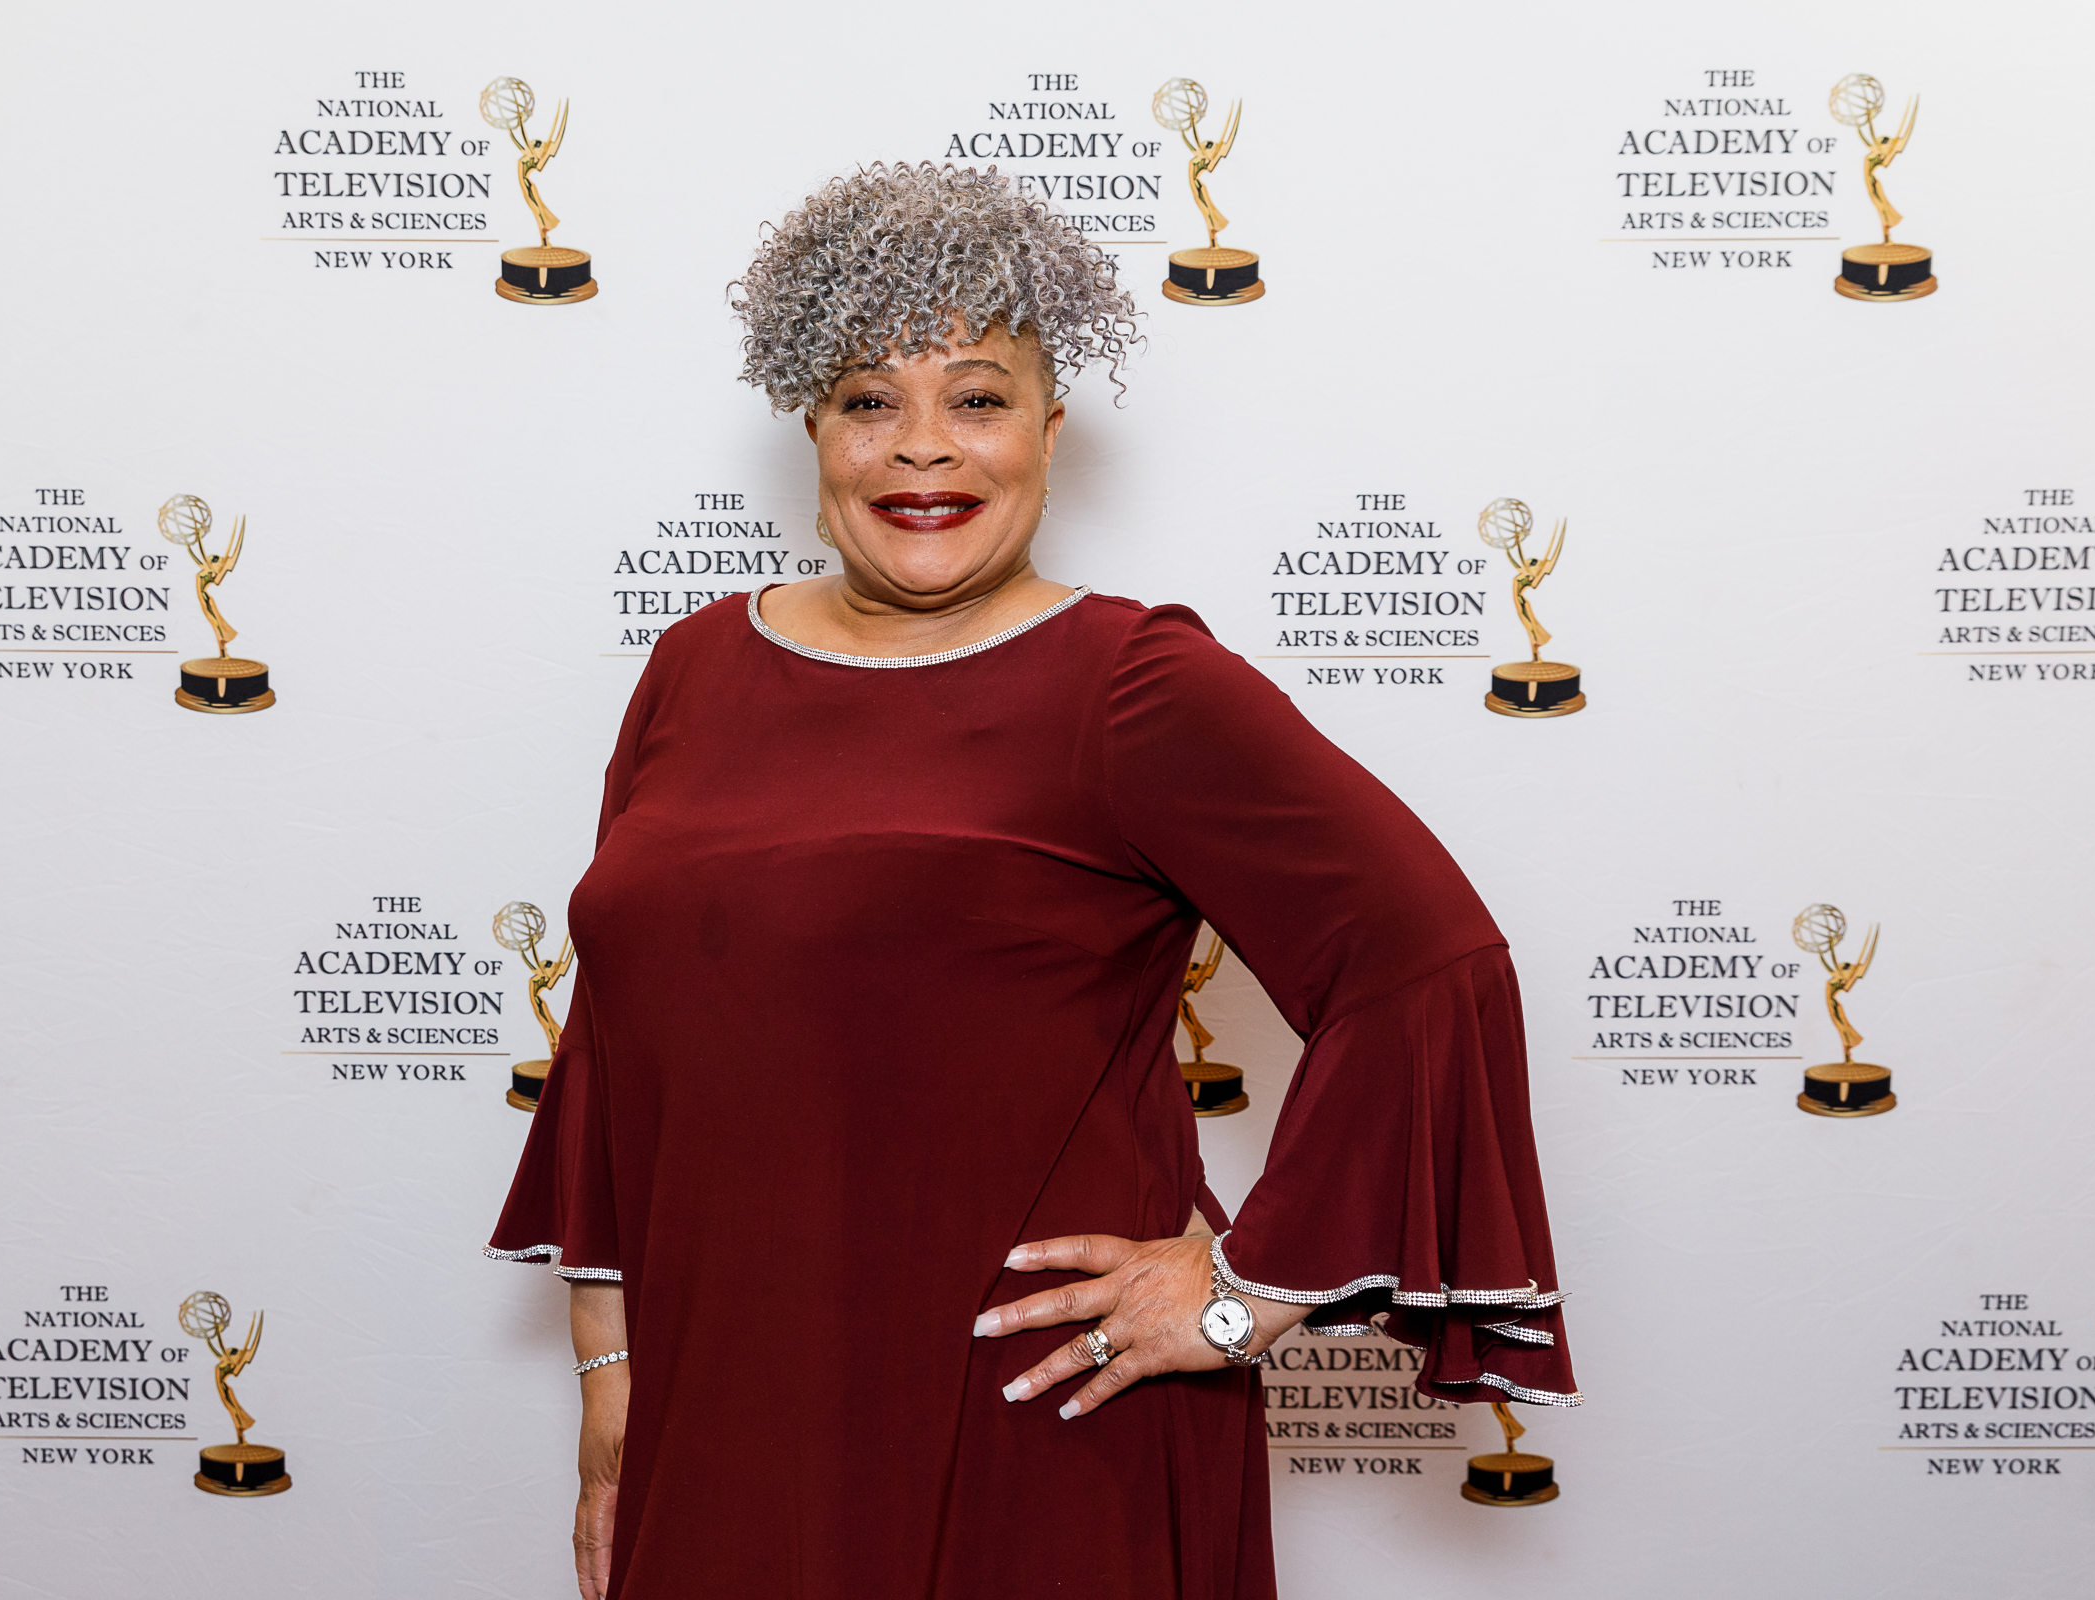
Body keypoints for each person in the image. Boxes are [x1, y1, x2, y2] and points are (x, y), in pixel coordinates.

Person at [487, 161, 1579, 1600]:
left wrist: (1244, 1295)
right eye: (869, 400)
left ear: (1050, 432)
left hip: (1034, 1418)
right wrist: (611, 1384)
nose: (921, 450)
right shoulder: (692, 667)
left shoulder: (1130, 681)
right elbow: (622, 1045)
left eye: (979, 398)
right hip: (730, 1406)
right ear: (811, 428)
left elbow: (1429, 961)